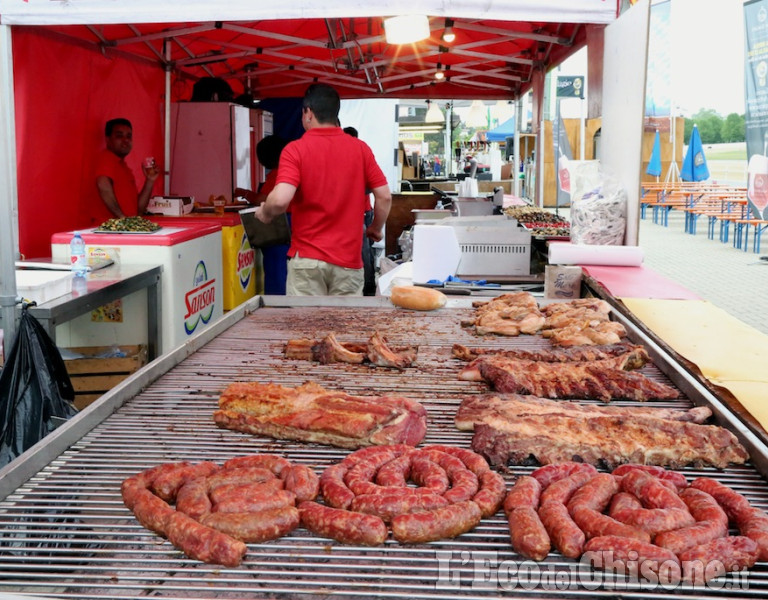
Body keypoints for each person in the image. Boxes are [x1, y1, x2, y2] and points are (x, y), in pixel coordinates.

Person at [254, 83, 391, 296]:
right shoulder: (360, 149)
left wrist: (265, 212)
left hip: (308, 263)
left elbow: (280, 200)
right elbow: (384, 196)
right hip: (348, 263)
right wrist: (375, 227)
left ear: (308, 113)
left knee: (306, 329)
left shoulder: (295, 150)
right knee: (345, 328)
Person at [234, 135, 291, 295]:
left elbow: (263, 198)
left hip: (280, 223)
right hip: (290, 223)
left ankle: (277, 306)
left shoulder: (279, 173)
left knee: (275, 266)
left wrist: (245, 193)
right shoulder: (286, 171)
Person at [94, 118, 159, 224]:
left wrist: (149, 181)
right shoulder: (106, 159)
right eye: (119, 136)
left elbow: (138, 210)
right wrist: (122, 218)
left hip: (124, 230)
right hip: (108, 232)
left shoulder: (123, 167)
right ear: (108, 139)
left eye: (129, 136)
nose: (126, 140)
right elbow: (103, 185)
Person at [342, 125, 376, 296]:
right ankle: (365, 286)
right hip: (353, 212)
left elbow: (374, 186)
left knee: (365, 251)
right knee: (361, 251)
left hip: (363, 211)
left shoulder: (361, 154)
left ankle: (368, 286)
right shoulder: (342, 157)